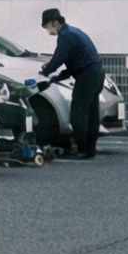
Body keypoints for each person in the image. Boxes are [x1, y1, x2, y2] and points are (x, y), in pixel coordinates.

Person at [38, 8, 105, 159]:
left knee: (78, 113)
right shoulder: (75, 32)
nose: (48, 31)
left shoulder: (65, 36)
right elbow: (74, 62)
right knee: (91, 113)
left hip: (87, 75)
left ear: (55, 22)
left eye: (48, 27)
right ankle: (90, 150)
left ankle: (81, 148)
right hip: (97, 73)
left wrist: (45, 73)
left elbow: (59, 58)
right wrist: (59, 76)